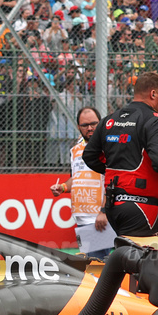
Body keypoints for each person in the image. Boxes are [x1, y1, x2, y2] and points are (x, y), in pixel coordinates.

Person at [81, 72, 158, 239]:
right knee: (140, 258)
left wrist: (118, 170)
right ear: (153, 94)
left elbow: (89, 156)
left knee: (123, 253)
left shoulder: (109, 120)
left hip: (113, 205)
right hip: (140, 205)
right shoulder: (155, 119)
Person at [51, 105, 115, 258]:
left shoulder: (109, 147)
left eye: (94, 124)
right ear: (79, 127)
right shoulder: (76, 149)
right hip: (81, 216)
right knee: (91, 261)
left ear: (101, 123)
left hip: (98, 217)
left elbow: (112, 180)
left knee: (95, 263)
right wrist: (63, 187)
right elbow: (76, 177)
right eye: (85, 125)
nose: (90, 128)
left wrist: (104, 211)